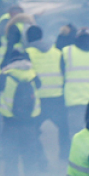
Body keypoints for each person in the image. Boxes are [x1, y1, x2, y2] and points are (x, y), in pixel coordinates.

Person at [0, 47, 41, 176]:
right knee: (30, 162)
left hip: (10, 127)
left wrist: (4, 70)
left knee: (11, 162)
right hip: (30, 127)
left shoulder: (4, 77)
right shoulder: (34, 76)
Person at [25, 25, 66, 162]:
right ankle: (65, 156)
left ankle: (41, 161)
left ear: (28, 38)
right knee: (64, 128)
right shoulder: (57, 52)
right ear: (42, 37)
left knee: (33, 131)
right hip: (57, 96)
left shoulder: (27, 53)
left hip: (37, 100)